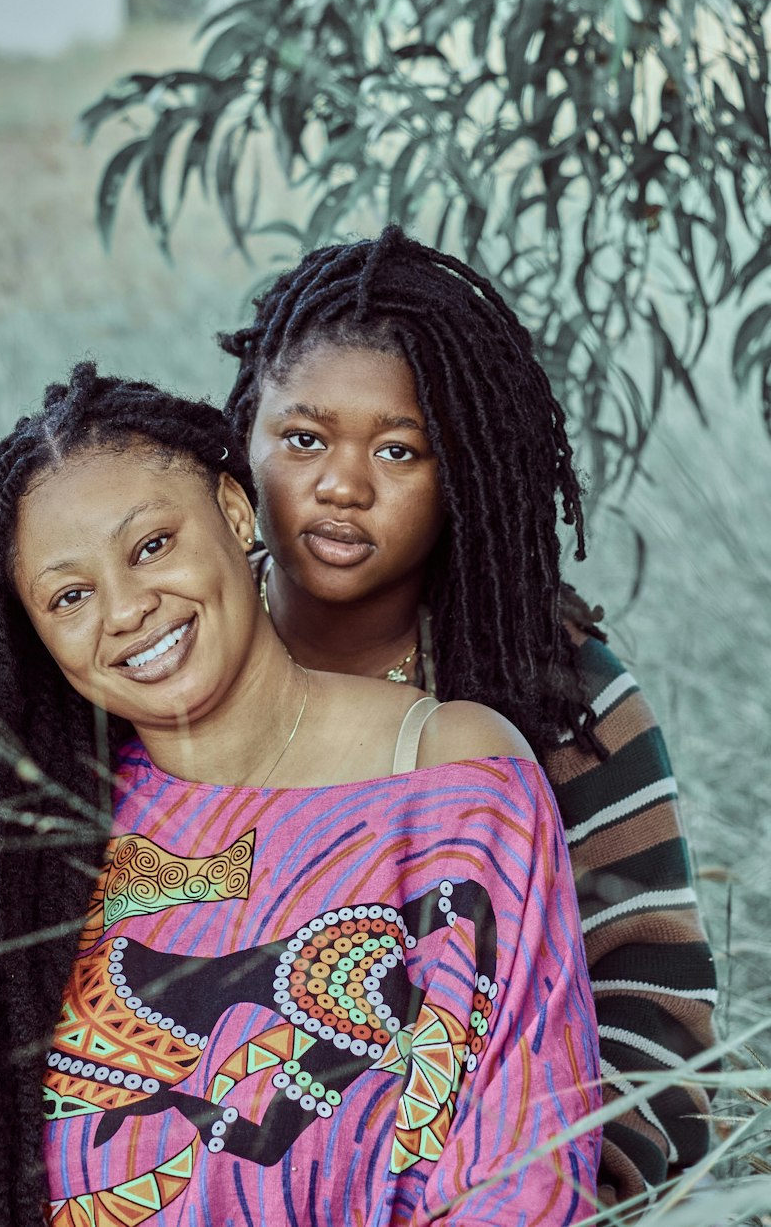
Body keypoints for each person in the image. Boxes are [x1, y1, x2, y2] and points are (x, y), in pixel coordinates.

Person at [0, 364, 599, 1227]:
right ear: (38, 638)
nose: (129, 609)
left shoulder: (445, 774)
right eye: (71, 596)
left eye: (151, 547)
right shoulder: (33, 850)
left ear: (235, 510)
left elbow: (525, 1158)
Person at [218, 224, 718, 1206]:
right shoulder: (175, 656)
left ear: (466, 478)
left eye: (399, 449)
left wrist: (551, 1185)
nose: (342, 482)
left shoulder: (548, 687)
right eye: (304, 436)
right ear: (244, 433)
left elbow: (650, 988)